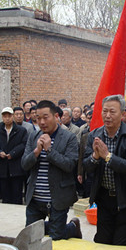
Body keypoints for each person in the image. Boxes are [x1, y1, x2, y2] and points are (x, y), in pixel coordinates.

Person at [83, 94, 126, 246]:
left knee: (121, 243)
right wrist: (95, 157)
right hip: (103, 198)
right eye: (105, 111)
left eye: (112, 112)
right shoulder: (94, 135)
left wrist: (108, 157)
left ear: (123, 114)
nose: (107, 116)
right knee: (102, 240)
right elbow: (86, 167)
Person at [21, 100, 81, 240]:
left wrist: (49, 150)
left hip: (57, 198)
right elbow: (24, 164)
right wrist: (36, 152)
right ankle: (55, 226)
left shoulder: (69, 138)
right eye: (38, 118)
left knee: (56, 237)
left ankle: (72, 227)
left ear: (56, 117)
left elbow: (69, 165)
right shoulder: (34, 136)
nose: (41, 122)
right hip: (35, 199)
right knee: (31, 236)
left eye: (45, 117)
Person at [0, 107, 28, 204]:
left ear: (13, 116)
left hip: (16, 166)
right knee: (5, 195)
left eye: (9, 116)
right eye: (5, 116)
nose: (7, 118)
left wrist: (13, 153)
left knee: (16, 194)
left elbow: (24, 144)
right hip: (3, 166)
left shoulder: (21, 130)